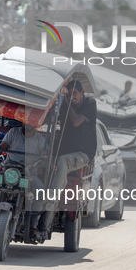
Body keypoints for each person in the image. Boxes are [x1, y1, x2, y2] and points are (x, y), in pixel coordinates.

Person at [41, 80, 97, 238]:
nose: (72, 97)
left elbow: (76, 121)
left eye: (75, 94)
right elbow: (52, 120)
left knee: (62, 162)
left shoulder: (90, 104)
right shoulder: (64, 106)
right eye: (69, 94)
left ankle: (51, 204)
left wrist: (68, 103)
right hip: (65, 151)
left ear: (82, 94)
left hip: (83, 154)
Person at [0, 122, 46, 239]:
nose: (28, 123)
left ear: (36, 124)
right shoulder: (13, 132)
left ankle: (33, 226)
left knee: (41, 191)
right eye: (26, 120)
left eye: (32, 121)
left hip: (29, 174)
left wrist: (44, 161)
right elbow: (1, 148)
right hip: (9, 171)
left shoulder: (40, 139)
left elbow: (44, 155)